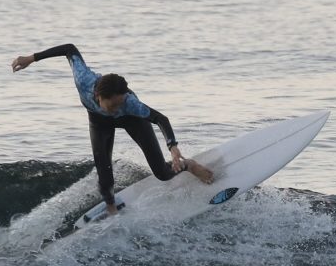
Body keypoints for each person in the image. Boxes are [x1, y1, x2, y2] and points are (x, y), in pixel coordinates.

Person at [11, 44, 214, 215]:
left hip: (132, 120)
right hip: (99, 122)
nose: (118, 107)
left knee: (162, 173)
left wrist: (173, 147)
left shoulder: (130, 104)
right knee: (104, 174)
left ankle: (188, 165)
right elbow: (69, 49)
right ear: (99, 97)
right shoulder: (84, 80)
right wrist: (32, 58)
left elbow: (160, 119)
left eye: (121, 102)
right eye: (114, 104)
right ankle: (111, 209)